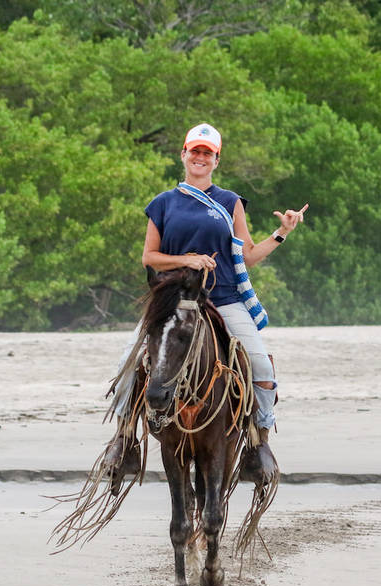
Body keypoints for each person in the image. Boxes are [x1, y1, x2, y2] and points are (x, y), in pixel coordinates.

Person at [103, 122, 307, 487]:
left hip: (223, 297)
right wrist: (189, 261)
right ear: (183, 155)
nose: (200, 158)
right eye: (194, 151)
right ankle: (123, 440)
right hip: (176, 298)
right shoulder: (163, 203)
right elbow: (149, 257)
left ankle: (259, 441)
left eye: (207, 153)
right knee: (130, 361)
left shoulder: (230, 202)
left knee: (260, 362)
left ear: (216, 160)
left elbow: (247, 255)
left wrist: (282, 233)